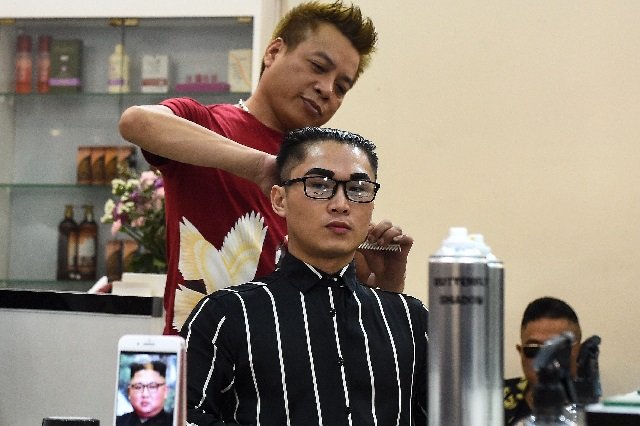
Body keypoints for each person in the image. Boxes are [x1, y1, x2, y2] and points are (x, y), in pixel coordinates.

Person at [118, 1, 387, 335]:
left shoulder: (326, 171)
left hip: (288, 372)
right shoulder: (208, 125)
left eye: (342, 87)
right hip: (199, 367)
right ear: (274, 52)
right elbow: (136, 122)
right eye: (318, 66)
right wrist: (260, 166)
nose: (327, 90)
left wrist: (383, 279)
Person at [180, 127, 428, 425]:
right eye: (320, 185)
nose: (341, 204)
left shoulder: (410, 318)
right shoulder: (225, 315)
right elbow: (185, 417)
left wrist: (389, 290)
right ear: (279, 200)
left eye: (359, 189)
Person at [503, 297, 583, 426]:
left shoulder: (596, 415)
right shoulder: (490, 400)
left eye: (559, 349)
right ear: (521, 352)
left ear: (579, 352)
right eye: (534, 349)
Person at [116, 361, 173, 426]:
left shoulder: (175, 421)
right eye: (138, 387)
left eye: (152, 387)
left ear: (165, 391)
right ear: (129, 392)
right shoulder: (118, 422)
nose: (145, 394)